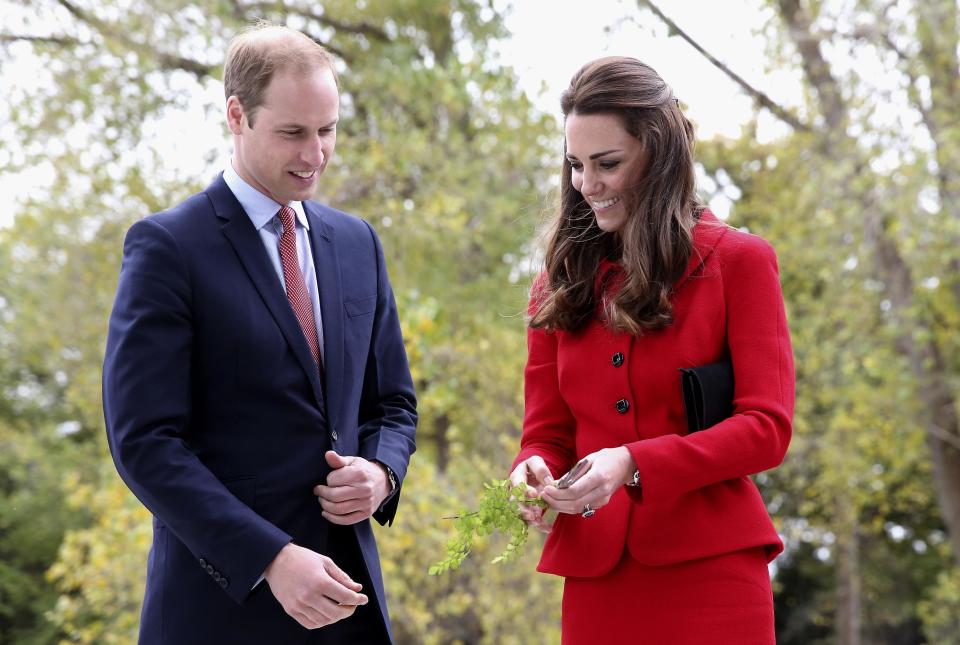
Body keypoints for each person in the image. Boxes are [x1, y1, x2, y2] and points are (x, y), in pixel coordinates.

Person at [103, 23, 417, 644]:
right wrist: (270, 556)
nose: (315, 155)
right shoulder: (168, 247)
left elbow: (393, 404)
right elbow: (144, 442)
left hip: (347, 611)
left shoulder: (358, 244)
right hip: (219, 613)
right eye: (293, 133)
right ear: (236, 115)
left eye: (327, 131)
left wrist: (380, 473)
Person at [509, 56, 794, 644]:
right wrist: (531, 472)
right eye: (576, 166)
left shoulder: (740, 262)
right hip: (597, 582)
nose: (588, 185)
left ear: (659, 155)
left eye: (607, 164)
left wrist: (635, 462)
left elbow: (767, 427)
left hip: (713, 575)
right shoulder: (556, 287)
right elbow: (547, 434)